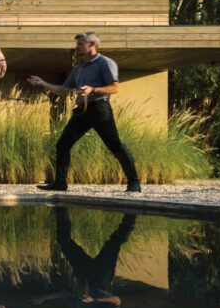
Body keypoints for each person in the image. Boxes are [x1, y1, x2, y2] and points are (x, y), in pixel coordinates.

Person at [27, 31, 142, 193]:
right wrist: (42, 83)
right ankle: (60, 183)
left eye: (80, 44)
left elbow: (115, 87)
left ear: (92, 45)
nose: (77, 47)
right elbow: (62, 90)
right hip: (81, 112)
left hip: (99, 109)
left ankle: (134, 183)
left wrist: (93, 89)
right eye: (77, 44)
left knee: (114, 145)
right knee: (63, 144)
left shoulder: (105, 63)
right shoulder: (78, 69)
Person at [31, 208, 137, 308]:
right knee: (114, 242)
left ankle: (62, 207)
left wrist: (44, 298)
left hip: (83, 272)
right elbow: (116, 300)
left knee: (64, 241)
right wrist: (95, 300)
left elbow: (66, 294)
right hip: (101, 275)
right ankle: (132, 212)